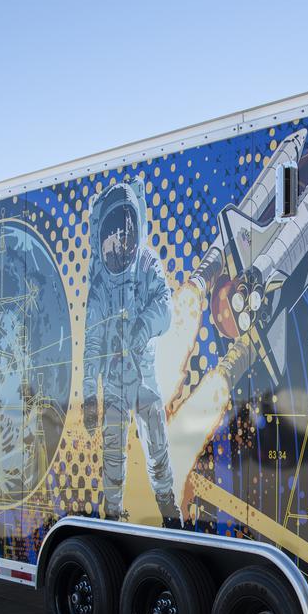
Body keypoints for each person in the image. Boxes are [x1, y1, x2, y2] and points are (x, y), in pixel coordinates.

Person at [82, 181, 179, 522]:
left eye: (126, 231)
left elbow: (166, 309)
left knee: (157, 445)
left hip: (144, 376)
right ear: (101, 238)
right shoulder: (99, 288)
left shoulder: (147, 265)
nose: (120, 242)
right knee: (113, 455)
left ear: (137, 228)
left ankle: (167, 504)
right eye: (112, 235)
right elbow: (91, 345)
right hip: (114, 383)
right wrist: (88, 397)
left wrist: (140, 329)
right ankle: (112, 513)